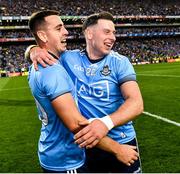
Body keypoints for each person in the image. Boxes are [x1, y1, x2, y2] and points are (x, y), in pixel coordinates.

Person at [27, 10, 140, 173]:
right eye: (107, 32)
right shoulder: (67, 59)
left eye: (114, 32)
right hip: (88, 143)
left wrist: (105, 123)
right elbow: (48, 53)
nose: (113, 37)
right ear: (89, 33)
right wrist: (33, 50)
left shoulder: (120, 62)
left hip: (121, 140)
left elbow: (136, 103)